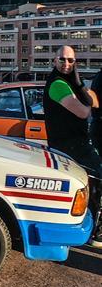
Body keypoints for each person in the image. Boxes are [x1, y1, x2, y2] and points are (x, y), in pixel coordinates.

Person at [42, 44, 102, 247]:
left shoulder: (69, 81)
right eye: (62, 59)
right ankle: (97, 233)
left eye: (71, 60)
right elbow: (84, 112)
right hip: (69, 145)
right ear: (54, 60)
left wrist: (81, 86)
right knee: (97, 181)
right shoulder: (58, 84)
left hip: (76, 143)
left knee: (86, 186)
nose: (66, 64)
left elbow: (94, 102)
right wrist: (81, 89)